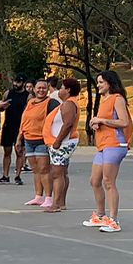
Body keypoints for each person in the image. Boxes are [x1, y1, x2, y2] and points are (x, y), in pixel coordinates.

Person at [83, 71, 132, 233]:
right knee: (94, 181)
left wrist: (102, 120)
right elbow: (105, 121)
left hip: (115, 144)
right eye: (97, 82)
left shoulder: (117, 99)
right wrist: (95, 124)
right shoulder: (104, 100)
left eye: (101, 82)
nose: (98, 85)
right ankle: (100, 215)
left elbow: (123, 122)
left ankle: (114, 219)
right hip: (102, 145)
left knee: (108, 181)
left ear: (110, 83)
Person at [43, 80, 80, 213]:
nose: (60, 90)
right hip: (64, 141)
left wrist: (57, 141)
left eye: (63, 88)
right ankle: (61, 202)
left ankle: (56, 204)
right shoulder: (68, 103)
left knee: (57, 173)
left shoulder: (69, 104)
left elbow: (68, 123)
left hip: (62, 142)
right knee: (63, 172)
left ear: (68, 90)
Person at [19, 80, 52, 207]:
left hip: (42, 140)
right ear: (34, 89)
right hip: (28, 139)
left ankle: (48, 197)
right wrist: (19, 137)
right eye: (39, 88)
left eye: (44, 88)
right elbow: (24, 120)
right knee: (36, 170)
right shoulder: (30, 102)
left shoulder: (50, 103)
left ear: (47, 89)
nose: (41, 90)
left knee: (44, 169)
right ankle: (38, 196)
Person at [0, 78, 30, 184]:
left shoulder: (28, 96)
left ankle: (18, 175)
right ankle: (5, 175)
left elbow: (30, 111)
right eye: (15, 82)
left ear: (23, 83)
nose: (16, 84)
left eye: (19, 82)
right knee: (7, 152)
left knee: (19, 152)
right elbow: (1, 107)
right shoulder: (8, 93)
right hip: (8, 126)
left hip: (20, 127)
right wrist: (2, 106)